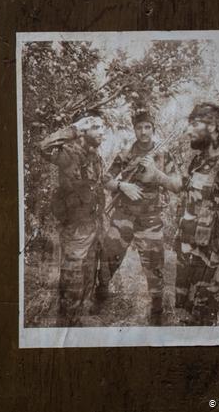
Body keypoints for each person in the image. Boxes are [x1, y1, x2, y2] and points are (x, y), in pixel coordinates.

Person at [139, 102, 219, 325]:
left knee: (202, 318)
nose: (188, 130)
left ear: (212, 127)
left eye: (194, 124)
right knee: (184, 313)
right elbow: (180, 186)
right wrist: (156, 175)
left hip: (209, 261)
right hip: (187, 253)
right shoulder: (198, 161)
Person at [99, 109, 179, 325]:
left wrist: (156, 174)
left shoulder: (164, 155)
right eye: (139, 127)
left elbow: (177, 185)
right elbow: (105, 179)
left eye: (148, 127)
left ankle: (156, 309)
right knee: (109, 256)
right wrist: (121, 185)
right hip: (123, 215)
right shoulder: (124, 154)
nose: (143, 132)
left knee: (154, 264)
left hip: (150, 219)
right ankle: (101, 292)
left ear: (153, 128)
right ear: (134, 129)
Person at [39, 111, 107, 326]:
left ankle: (76, 322)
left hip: (93, 225)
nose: (102, 131)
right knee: (72, 279)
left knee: (87, 278)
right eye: (96, 127)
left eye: (102, 126)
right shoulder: (68, 154)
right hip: (76, 227)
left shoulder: (95, 156)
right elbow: (43, 147)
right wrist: (75, 128)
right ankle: (65, 324)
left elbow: (98, 186)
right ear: (84, 130)